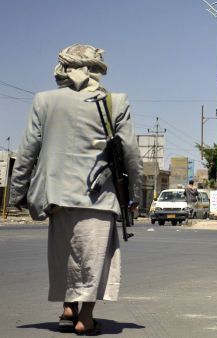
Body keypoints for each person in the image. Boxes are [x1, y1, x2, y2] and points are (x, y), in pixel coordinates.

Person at [10, 44, 142, 335]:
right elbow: (131, 153)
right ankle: (86, 317)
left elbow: (27, 152)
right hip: (100, 197)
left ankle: (68, 308)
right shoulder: (115, 102)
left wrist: (16, 193)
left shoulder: (43, 101)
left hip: (56, 196)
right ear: (97, 69)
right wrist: (137, 196)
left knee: (66, 254)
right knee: (94, 257)